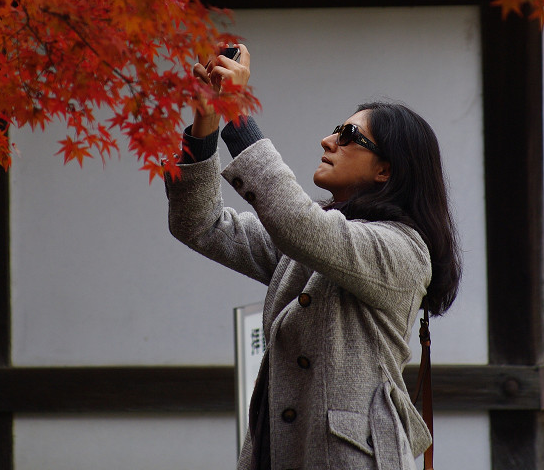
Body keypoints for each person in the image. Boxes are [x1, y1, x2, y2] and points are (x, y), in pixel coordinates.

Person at [165, 44, 462, 470]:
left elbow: (299, 224)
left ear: (386, 170)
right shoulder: (317, 242)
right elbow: (200, 225)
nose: (328, 140)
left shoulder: (403, 249)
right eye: (334, 130)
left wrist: (237, 113)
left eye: (349, 136)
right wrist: (206, 124)